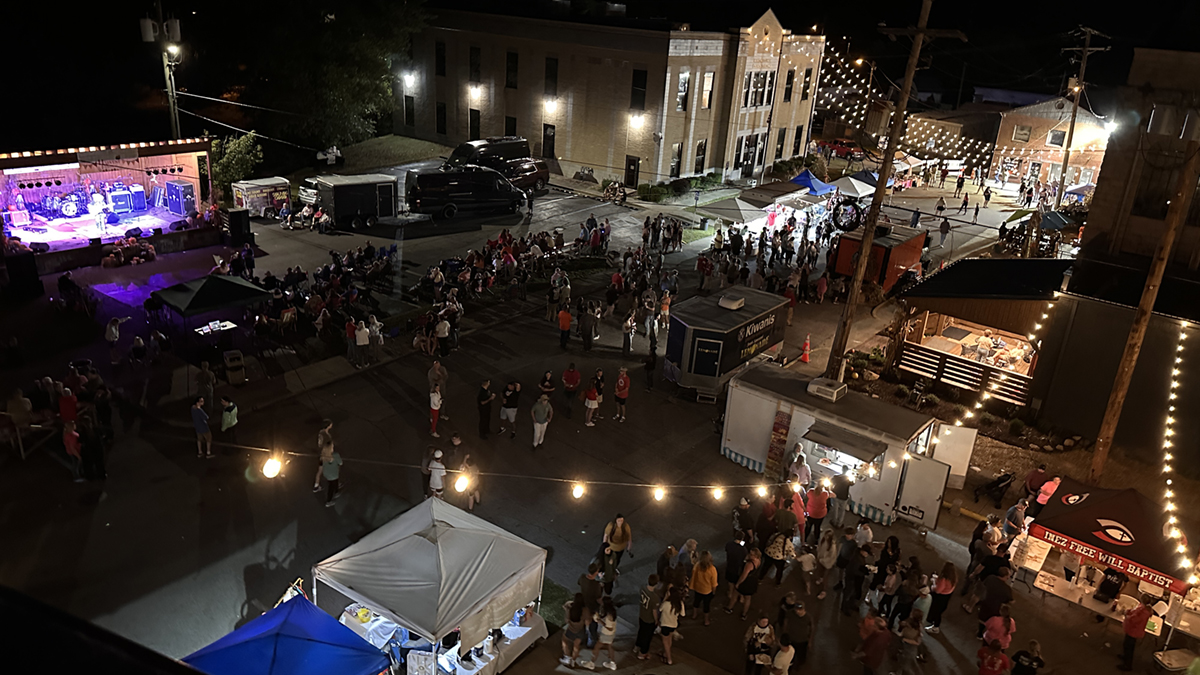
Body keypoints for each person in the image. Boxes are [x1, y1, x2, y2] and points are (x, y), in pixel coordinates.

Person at [1120, 594, 1153, 670]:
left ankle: (1127, 665)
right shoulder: (1142, 607)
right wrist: (1128, 612)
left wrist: (1127, 616)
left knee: (1129, 648)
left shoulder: (1144, 612)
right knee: (1126, 645)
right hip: (1132, 630)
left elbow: (1135, 620)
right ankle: (1125, 657)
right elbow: (1133, 612)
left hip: (1134, 631)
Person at [560, 593, 593, 668]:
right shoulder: (585, 610)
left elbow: (566, 620)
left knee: (564, 641)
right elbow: (587, 622)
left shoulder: (570, 608)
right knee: (576, 646)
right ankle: (573, 661)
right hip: (580, 631)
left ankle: (567, 657)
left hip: (571, 630)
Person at [926, 561, 958, 633]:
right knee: (939, 611)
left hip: (940, 598)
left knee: (936, 612)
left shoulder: (944, 579)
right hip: (947, 596)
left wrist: (933, 585)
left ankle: (935, 627)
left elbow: (938, 590)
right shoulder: (953, 578)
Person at [689, 550, 718, 626]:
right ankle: (706, 620)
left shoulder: (697, 566)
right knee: (706, 605)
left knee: (696, 602)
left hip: (698, 588)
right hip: (707, 591)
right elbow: (714, 583)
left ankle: (694, 615)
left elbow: (693, 574)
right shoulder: (712, 569)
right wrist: (714, 591)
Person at [635, 574, 661, 660]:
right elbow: (654, 611)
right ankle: (643, 653)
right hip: (649, 619)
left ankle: (637, 646)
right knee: (647, 636)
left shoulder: (643, 588)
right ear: (656, 584)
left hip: (642, 614)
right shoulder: (654, 598)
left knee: (641, 631)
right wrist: (656, 620)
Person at [732, 548, 763, 620]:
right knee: (748, 598)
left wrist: (738, 583)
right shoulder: (759, 560)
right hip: (753, 581)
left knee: (735, 594)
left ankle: (729, 608)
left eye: (751, 554)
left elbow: (744, 575)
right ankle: (744, 614)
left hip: (746, 582)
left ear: (755, 555)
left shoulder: (749, 564)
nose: (749, 555)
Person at [658, 586, 685, 665]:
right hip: (673, 625)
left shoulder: (666, 604)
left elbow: (660, 609)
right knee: (669, 639)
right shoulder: (679, 604)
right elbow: (682, 614)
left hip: (665, 624)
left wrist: (665, 599)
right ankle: (665, 653)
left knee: (665, 641)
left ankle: (669, 658)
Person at [590, 596, 619, 670]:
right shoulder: (612, 611)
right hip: (611, 634)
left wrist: (600, 622)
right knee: (610, 647)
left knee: (596, 647)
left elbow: (609, 628)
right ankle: (612, 663)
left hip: (606, 634)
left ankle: (591, 663)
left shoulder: (609, 616)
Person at [725, 530, 748, 608]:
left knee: (730, 581)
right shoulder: (743, 549)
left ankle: (730, 593)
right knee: (738, 582)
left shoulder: (729, 544)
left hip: (730, 565)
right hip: (738, 568)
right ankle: (741, 597)